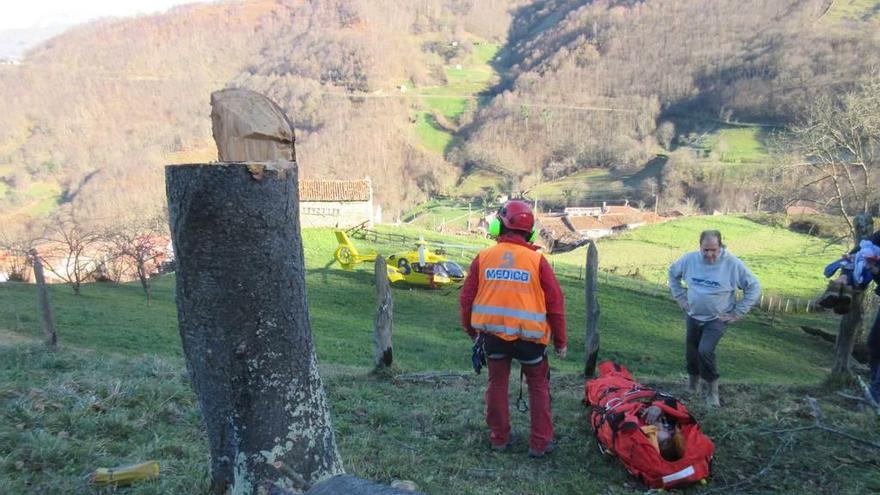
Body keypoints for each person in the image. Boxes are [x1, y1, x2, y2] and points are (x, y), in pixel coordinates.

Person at [460, 200, 567, 458]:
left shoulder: (483, 257)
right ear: (529, 231)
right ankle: (540, 443)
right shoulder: (537, 261)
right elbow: (555, 303)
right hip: (531, 339)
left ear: (501, 225)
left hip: (493, 337)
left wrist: (472, 332)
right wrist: (560, 341)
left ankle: (499, 438)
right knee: (538, 386)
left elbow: (466, 299)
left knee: (496, 384)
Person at [668, 230, 760, 407]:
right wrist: (680, 297)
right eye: (706, 250)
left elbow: (754, 287)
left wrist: (738, 312)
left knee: (705, 351)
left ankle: (712, 392)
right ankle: (692, 386)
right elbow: (672, 273)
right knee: (692, 353)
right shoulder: (689, 260)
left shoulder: (732, 264)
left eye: (714, 250)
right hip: (693, 316)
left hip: (717, 319)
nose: (710, 254)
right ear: (700, 247)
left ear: (720, 246)